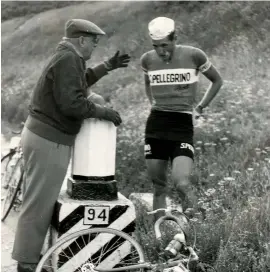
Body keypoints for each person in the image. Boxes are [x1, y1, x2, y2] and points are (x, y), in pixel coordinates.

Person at [12, 18, 131, 272]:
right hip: (48, 139)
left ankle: (35, 258)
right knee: (38, 204)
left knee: (41, 202)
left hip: (46, 137)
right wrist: (102, 111)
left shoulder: (68, 56)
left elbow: (78, 82)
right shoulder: (69, 59)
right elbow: (71, 103)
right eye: (94, 42)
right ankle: (27, 264)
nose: (94, 47)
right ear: (82, 39)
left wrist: (107, 66)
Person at [140, 17, 223, 221]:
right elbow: (147, 83)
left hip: (182, 124)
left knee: (182, 183)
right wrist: (153, 103)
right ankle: (158, 235)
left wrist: (201, 107)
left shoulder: (194, 55)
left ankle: (200, 227)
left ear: (175, 38)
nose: (161, 51)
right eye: (156, 46)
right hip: (156, 125)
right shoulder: (147, 59)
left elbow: (217, 80)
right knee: (159, 187)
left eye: (165, 45)